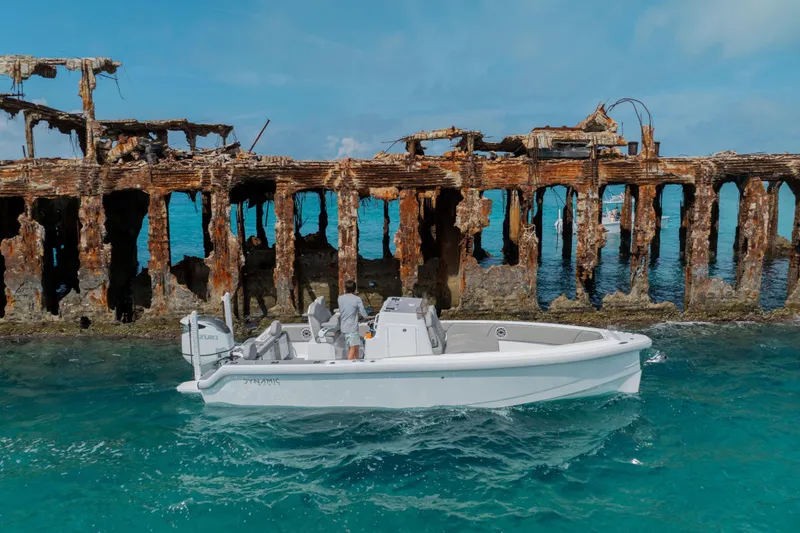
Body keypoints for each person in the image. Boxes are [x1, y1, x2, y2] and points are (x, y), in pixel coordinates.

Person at [338, 280, 370, 360]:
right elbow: (364, 314)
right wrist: (369, 317)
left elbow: (347, 308)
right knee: (353, 349)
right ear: (354, 289)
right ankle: (348, 365)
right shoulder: (357, 299)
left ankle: (356, 362)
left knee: (356, 346)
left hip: (344, 327)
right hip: (352, 328)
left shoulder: (340, 298)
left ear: (345, 288)